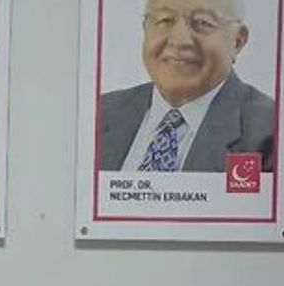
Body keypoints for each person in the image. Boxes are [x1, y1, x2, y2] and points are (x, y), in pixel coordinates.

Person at [99, 0, 274, 172]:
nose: (179, 40)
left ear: (237, 41)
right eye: (165, 20)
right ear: (145, 28)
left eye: (202, 22)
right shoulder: (99, 113)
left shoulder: (270, 132)